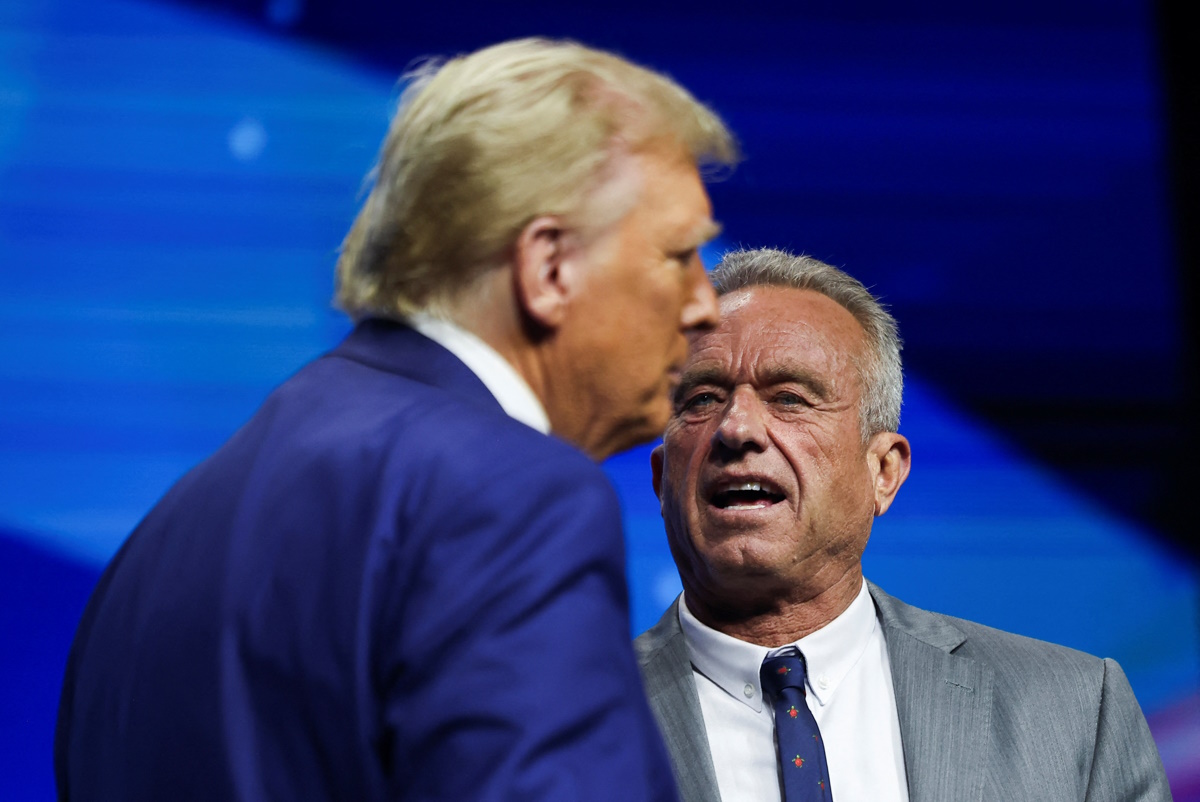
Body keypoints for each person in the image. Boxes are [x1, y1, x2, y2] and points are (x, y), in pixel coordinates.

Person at [55, 38, 737, 801]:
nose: (704, 304)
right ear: (549, 268)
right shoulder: (510, 496)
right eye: (681, 255)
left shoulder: (168, 535)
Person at [635, 248, 1171, 802]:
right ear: (661, 478)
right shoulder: (551, 717)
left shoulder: (1075, 710)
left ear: (883, 472)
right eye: (702, 398)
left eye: (790, 398)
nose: (737, 427)